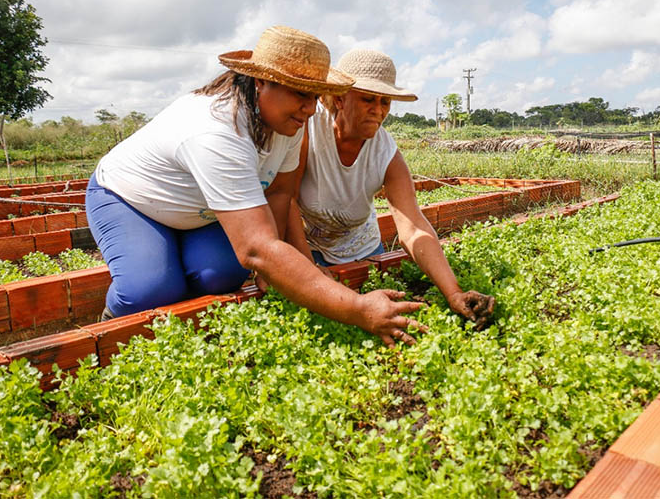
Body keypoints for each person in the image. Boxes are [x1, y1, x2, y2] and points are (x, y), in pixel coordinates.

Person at [86, 27, 426, 348]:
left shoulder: (288, 123)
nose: (309, 108)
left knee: (222, 275)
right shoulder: (218, 130)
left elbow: (279, 193)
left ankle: (179, 313)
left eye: (314, 97)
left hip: (197, 213)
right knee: (150, 290)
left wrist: (276, 270)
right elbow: (256, 248)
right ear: (262, 82)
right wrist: (357, 308)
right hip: (132, 201)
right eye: (299, 94)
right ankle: (107, 329)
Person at [287, 49, 495, 326]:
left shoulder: (386, 154)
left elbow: (413, 226)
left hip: (363, 250)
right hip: (309, 248)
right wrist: (308, 270)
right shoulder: (309, 133)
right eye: (368, 99)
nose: (379, 110)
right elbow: (285, 199)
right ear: (340, 98)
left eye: (385, 101)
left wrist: (453, 292)